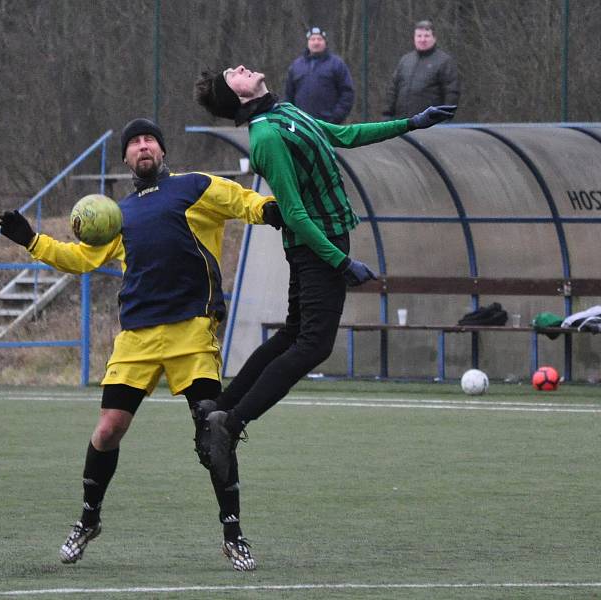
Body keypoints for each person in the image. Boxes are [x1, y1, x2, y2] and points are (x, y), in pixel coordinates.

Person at [0, 118, 284, 571]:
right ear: (127, 159)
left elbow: (243, 201)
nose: (143, 146)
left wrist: (271, 211)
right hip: (137, 337)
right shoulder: (118, 215)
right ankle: (88, 520)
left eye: (150, 139)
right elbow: (80, 259)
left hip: (191, 330)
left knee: (214, 429)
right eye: (134, 142)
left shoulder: (195, 187)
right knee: (109, 429)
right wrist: (31, 240)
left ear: (162, 151)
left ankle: (234, 533)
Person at [193, 65, 455, 482]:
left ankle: (220, 405)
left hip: (324, 244)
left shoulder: (286, 112)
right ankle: (232, 421)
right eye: (234, 73)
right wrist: (340, 261)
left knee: (295, 334)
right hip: (316, 247)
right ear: (237, 96)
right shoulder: (266, 136)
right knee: (314, 345)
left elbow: (345, 136)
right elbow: (294, 213)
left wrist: (412, 123)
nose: (242, 68)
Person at [383, 20, 460, 119]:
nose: (422, 39)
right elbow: (393, 89)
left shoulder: (445, 61)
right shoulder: (405, 60)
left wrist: (445, 118)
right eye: (419, 36)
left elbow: (451, 92)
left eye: (426, 36)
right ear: (414, 38)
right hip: (403, 123)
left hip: (430, 125)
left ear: (434, 38)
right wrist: (387, 114)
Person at [285, 26, 354, 124]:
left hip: (329, 125)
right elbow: (289, 95)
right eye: (312, 39)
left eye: (319, 39)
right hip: (301, 124)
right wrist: (292, 117)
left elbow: (347, 93)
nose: (316, 42)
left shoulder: (337, 64)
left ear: (325, 42)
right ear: (308, 42)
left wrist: (336, 117)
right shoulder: (296, 66)